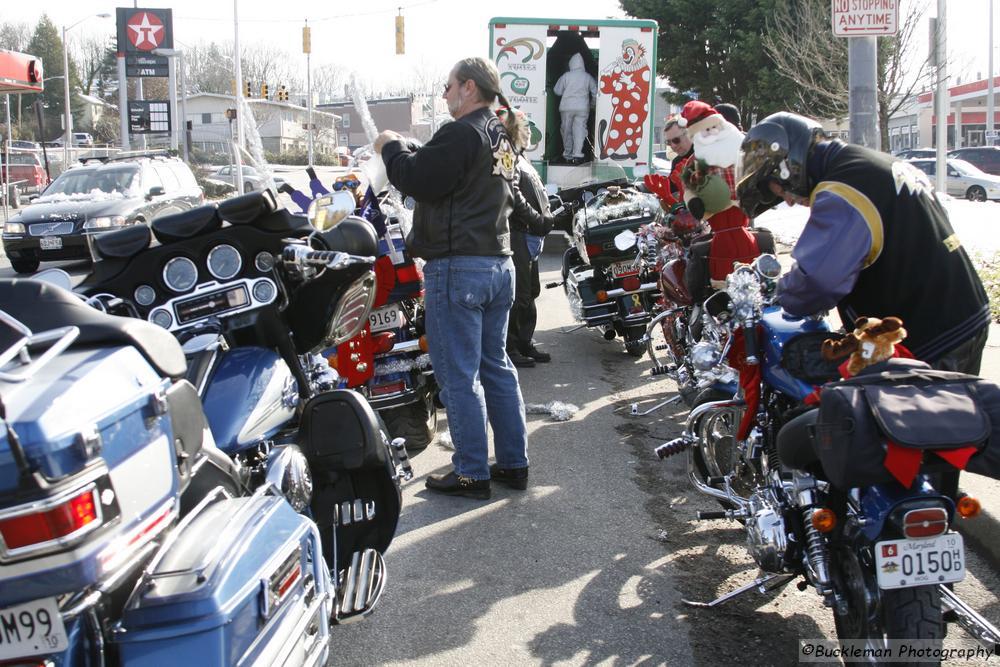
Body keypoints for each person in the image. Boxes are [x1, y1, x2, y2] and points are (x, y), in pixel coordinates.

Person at [737, 112, 991, 491]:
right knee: (940, 446)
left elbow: (818, 281)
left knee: (890, 450)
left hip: (922, 330)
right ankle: (932, 527)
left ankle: (871, 539)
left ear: (789, 165)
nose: (785, 200)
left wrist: (780, 292)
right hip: (960, 313)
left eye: (776, 187)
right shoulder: (871, 163)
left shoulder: (842, 187)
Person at [373, 57, 530, 499]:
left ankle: (471, 472)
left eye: (447, 87)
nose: (443, 95)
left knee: (459, 375)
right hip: (498, 265)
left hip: (459, 267)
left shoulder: (463, 131)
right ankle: (513, 464)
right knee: (495, 367)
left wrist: (390, 146)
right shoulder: (500, 132)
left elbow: (417, 181)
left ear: (467, 88)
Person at [498, 108, 554, 368]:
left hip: (529, 234)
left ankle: (523, 342)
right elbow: (513, 195)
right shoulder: (506, 155)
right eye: (525, 127)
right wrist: (537, 219)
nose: (530, 132)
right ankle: (510, 347)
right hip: (517, 233)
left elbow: (532, 192)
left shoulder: (521, 157)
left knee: (530, 292)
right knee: (518, 295)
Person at [553, 53, 597, 164]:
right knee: (579, 130)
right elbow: (595, 92)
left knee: (566, 131)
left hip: (566, 107)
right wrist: (592, 105)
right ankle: (577, 154)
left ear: (571, 64)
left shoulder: (566, 76)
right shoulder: (587, 77)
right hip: (582, 108)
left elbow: (557, 91)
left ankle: (567, 154)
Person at [663, 115, 694, 200]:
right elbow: (671, 190)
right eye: (668, 142)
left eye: (676, 140)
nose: (673, 146)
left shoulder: (703, 155)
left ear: (688, 134)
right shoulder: (676, 161)